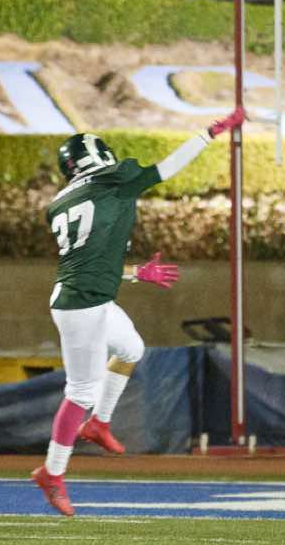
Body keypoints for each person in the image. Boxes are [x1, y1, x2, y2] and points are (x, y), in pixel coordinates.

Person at [33, 110, 246, 516]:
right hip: (81, 304)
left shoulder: (60, 203)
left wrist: (135, 274)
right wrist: (209, 133)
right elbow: (167, 167)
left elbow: (93, 260)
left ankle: (99, 423)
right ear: (98, 155)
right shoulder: (112, 178)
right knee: (80, 392)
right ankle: (52, 472)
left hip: (87, 295)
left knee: (131, 348)